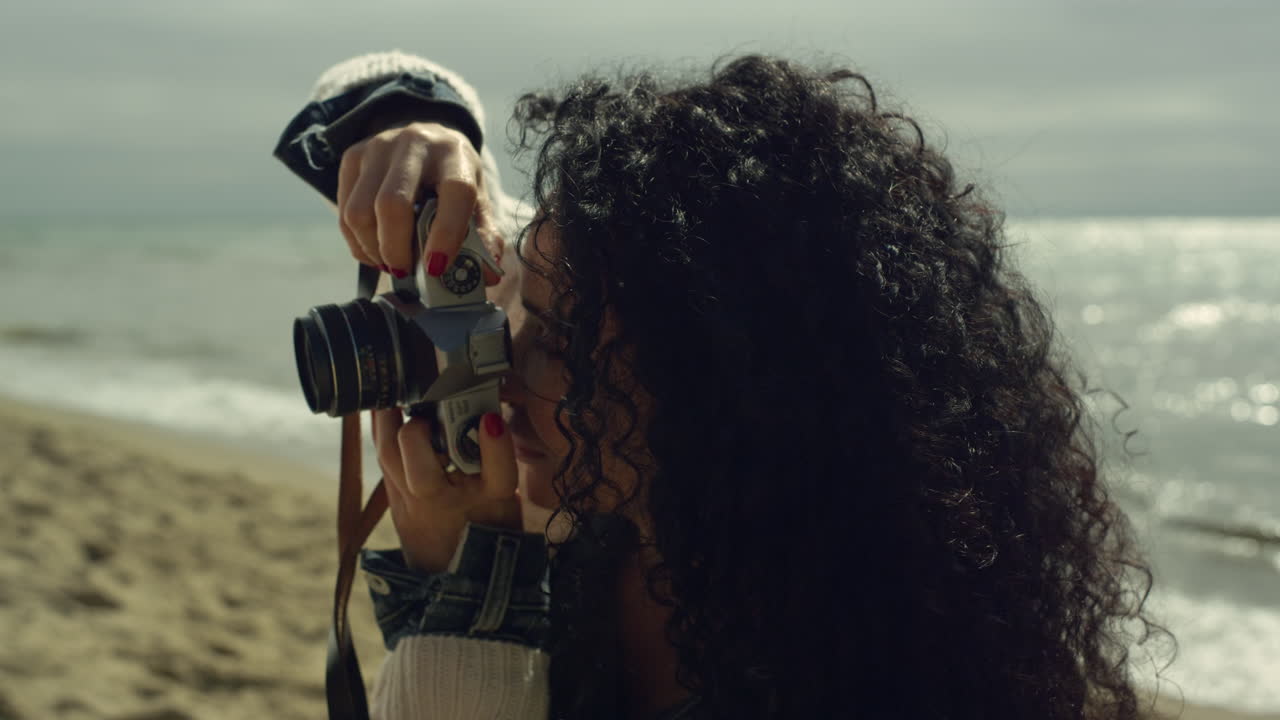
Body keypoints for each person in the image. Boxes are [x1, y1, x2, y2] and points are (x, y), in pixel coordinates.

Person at [275, 50, 1168, 720]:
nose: (502, 361)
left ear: (727, 380)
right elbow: (391, 140)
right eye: (517, 315)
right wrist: (421, 137)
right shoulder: (634, 522)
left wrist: (463, 598)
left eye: (559, 336)